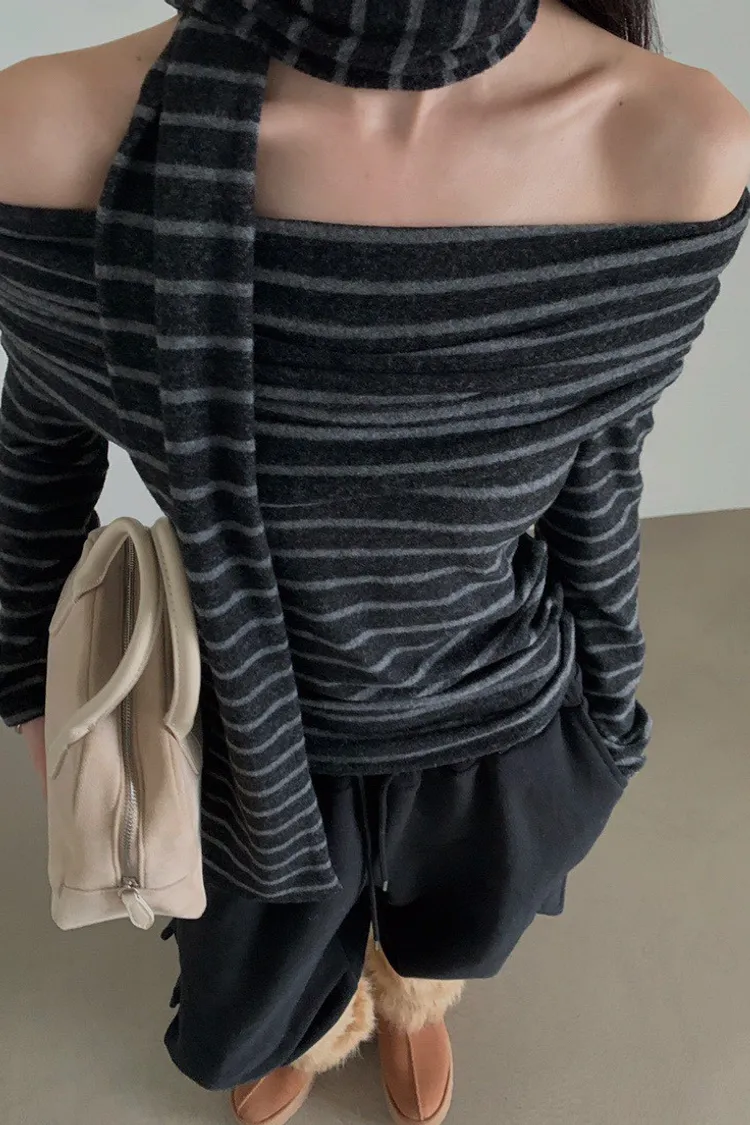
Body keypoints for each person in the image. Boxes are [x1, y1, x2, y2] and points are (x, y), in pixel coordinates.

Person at [0, 1, 748, 1123]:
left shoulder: (672, 138)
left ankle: (407, 997)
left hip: (492, 714)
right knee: (261, 978)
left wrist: (609, 700)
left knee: (451, 926)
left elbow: (601, 454)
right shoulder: (47, 136)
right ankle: (317, 1019)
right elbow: (41, 436)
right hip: (236, 735)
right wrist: (31, 691)